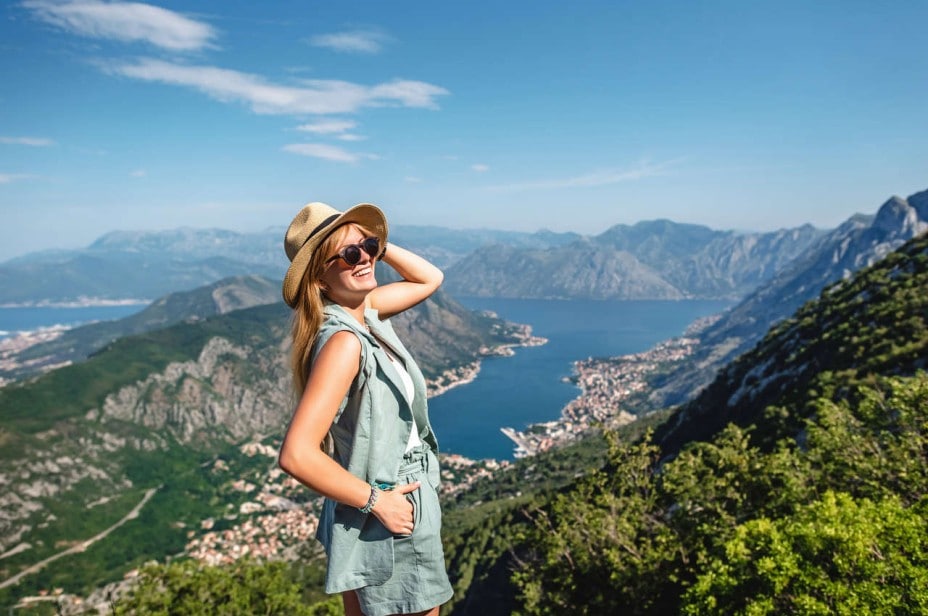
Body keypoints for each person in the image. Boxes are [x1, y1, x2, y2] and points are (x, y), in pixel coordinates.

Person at [277, 201, 454, 616]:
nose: (365, 258)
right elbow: (296, 454)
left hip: (372, 501)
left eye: (369, 247)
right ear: (319, 279)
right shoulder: (345, 342)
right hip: (389, 499)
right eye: (349, 254)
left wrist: (374, 246)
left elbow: (430, 278)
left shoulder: (364, 316)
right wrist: (379, 502)